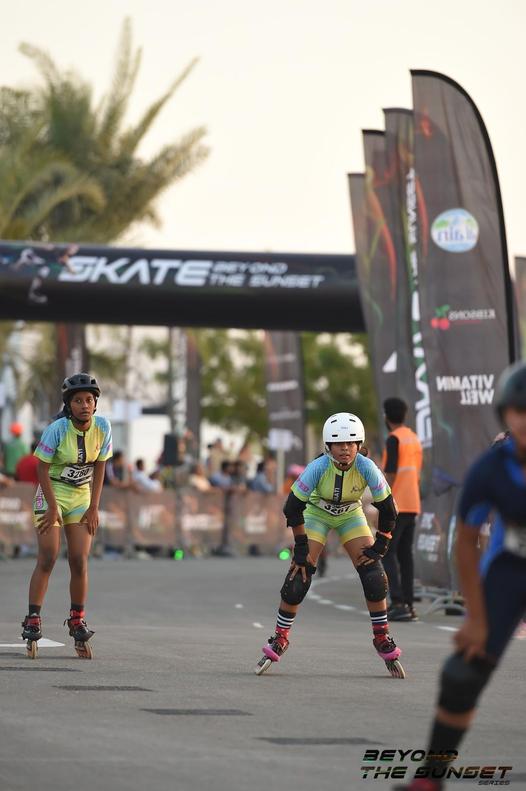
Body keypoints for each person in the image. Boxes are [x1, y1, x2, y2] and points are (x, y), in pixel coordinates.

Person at [394, 361, 526, 791]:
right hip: (510, 571)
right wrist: (476, 617)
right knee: (462, 674)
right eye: (519, 412)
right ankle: (431, 780)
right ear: (505, 414)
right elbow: (466, 543)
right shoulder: (492, 467)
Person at [255, 412, 404, 678]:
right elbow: (292, 508)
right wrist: (301, 546)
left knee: (374, 574)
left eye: (350, 443)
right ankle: (280, 637)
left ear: (358, 444)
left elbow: (388, 509)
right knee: (299, 574)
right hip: (317, 513)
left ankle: (382, 637)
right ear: (328, 446)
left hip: (350, 514)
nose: (345, 449)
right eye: (338, 444)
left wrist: (382, 541)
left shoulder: (367, 467)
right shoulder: (318, 467)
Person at [21, 373, 112, 659]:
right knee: (48, 556)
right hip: (52, 491)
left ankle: (77, 619)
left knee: (79, 559)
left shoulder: (103, 427)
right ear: (69, 405)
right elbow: (41, 468)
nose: (84, 405)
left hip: (81, 495)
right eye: (78, 401)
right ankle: (33, 618)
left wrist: (94, 507)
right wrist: (51, 506)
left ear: (95, 403)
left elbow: (100, 466)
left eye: (89, 400)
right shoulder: (57, 429)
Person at [381, 397, 423, 621]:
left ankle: (397, 603)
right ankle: (409, 603)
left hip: (396, 504)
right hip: (412, 503)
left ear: (386, 416)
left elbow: (391, 472)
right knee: (405, 554)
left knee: (387, 551)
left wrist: (381, 499)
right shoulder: (414, 438)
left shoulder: (394, 439)